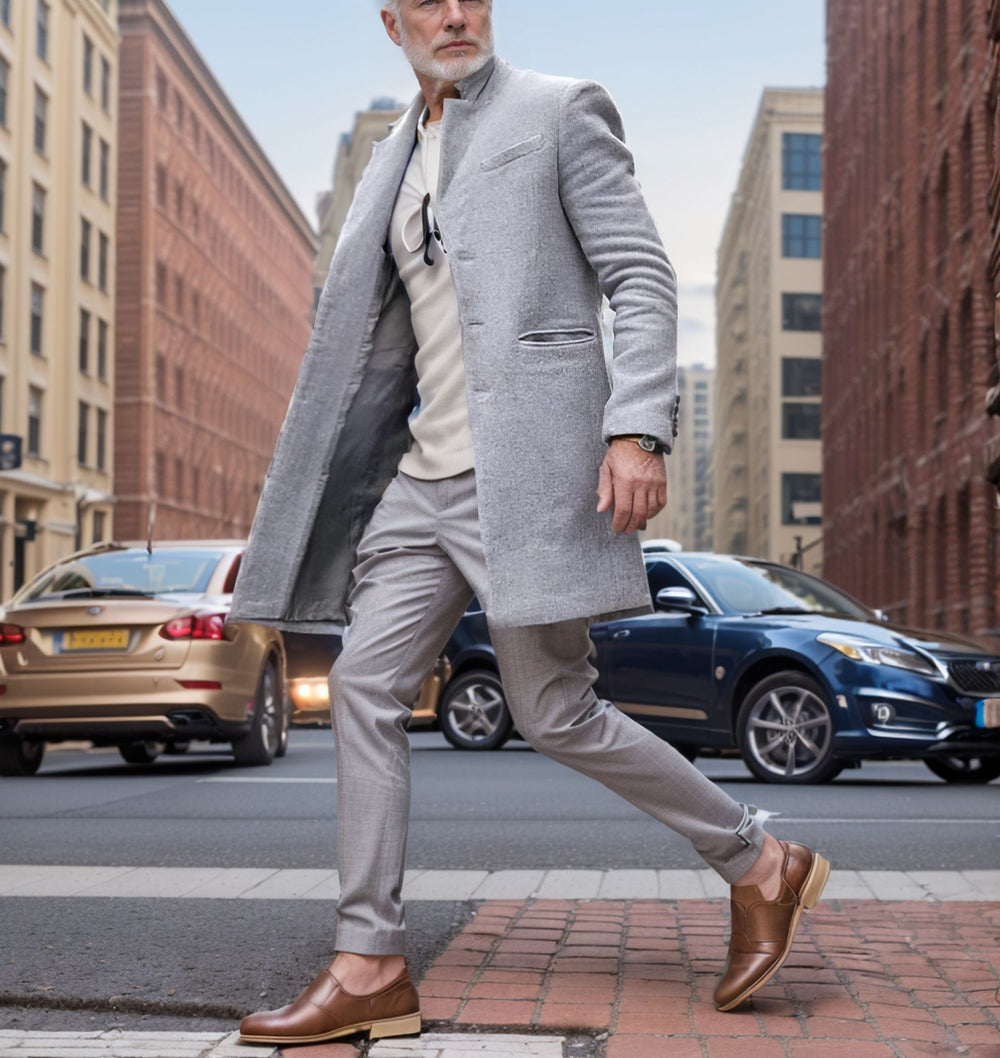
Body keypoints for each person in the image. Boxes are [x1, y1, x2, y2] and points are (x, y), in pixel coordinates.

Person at [233, 0, 830, 1045]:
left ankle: (757, 857)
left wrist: (637, 428)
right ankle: (369, 958)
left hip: (531, 472)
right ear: (392, 23)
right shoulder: (392, 160)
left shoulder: (559, 111)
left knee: (553, 709)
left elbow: (639, 275)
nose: (453, 14)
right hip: (424, 479)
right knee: (365, 683)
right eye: (427, 0)